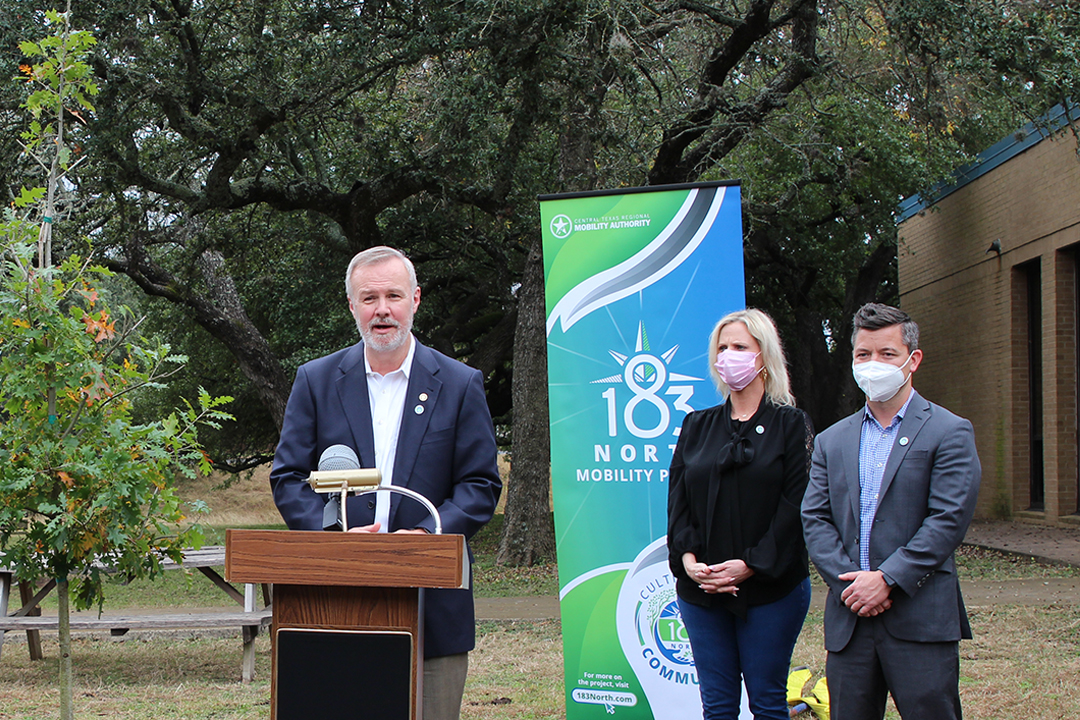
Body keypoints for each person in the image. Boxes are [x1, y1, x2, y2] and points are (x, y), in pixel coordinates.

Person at [269, 245, 502, 720]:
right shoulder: (315, 380)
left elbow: (480, 484)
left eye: (393, 295)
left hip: (432, 611)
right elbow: (288, 476)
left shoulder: (459, 384)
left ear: (415, 300)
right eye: (369, 298)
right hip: (335, 605)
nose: (382, 310)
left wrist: (426, 538)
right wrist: (332, 538)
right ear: (351, 306)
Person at [801, 303, 981, 720]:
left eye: (887, 354)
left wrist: (887, 580)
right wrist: (852, 584)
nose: (873, 364)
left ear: (912, 359)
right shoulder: (831, 440)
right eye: (864, 355)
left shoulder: (949, 431)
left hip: (919, 621)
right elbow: (815, 518)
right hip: (851, 621)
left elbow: (948, 519)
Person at [667, 308, 814, 720]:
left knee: (767, 701)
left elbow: (796, 506)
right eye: (722, 347)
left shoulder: (791, 424)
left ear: (763, 357)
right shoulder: (696, 425)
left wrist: (750, 564)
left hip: (772, 589)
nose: (728, 355)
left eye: (740, 347)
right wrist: (690, 562)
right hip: (702, 590)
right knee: (717, 705)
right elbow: (678, 502)